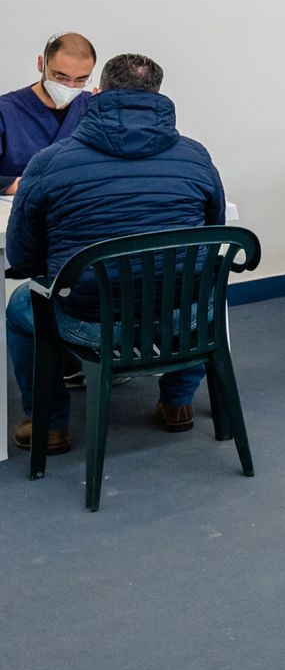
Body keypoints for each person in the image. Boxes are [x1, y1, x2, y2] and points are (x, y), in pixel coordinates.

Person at [6, 54, 225, 455]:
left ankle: (50, 426)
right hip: (180, 318)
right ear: (158, 94)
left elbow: (21, 257)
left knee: (22, 304)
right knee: (196, 288)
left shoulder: (50, 163)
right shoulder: (196, 156)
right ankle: (177, 402)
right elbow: (211, 235)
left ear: (98, 92)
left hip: (91, 322)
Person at [0, 32, 97, 194]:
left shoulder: (95, 109)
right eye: (61, 77)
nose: (70, 86)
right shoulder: (5, 112)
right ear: (41, 64)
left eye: (81, 80)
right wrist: (23, 185)